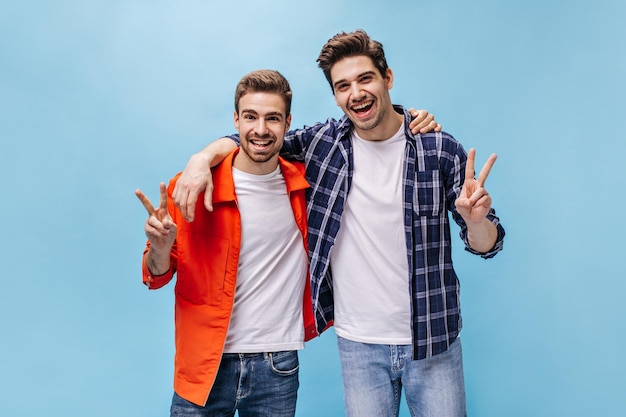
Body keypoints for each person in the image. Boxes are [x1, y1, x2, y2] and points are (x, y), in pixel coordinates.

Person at [174, 30, 505, 417]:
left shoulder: (438, 147)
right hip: (358, 343)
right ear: (335, 95)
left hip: (435, 339)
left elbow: (487, 244)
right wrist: (199, 159)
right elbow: (256, 138)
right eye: (342, 85)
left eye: (365, 79)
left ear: (388, 78)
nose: (356, 93)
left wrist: (476, 220)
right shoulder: (323, 144)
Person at [135, 70, 319, 417]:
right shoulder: (192, 186)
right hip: (204, 363)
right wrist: (159, 247)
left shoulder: (305, 186)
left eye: (272, 118)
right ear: (236, 120)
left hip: (277, 364)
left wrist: (411, 118)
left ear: (288, 122)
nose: (260, 129)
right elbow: (156, 275)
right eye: (250, 117)